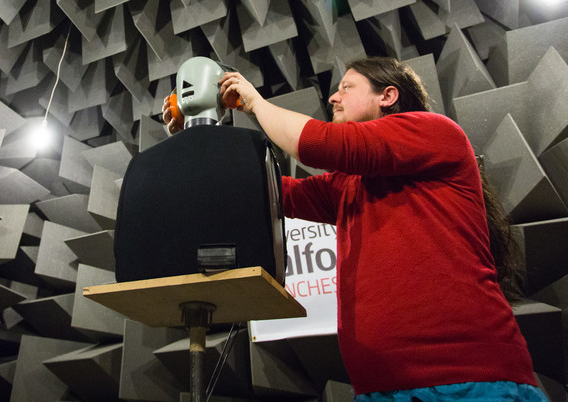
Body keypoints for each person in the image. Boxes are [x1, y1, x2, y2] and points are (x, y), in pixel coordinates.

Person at [163, 57, 545, 402]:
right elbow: (262, 191)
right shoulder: (348, 184)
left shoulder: (434, 133)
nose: (333, 97)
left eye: (347, 87)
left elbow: (317, 144)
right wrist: (193, 138)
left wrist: (255, 104)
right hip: (378, 388)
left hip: (469, 383)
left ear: (388, 96)